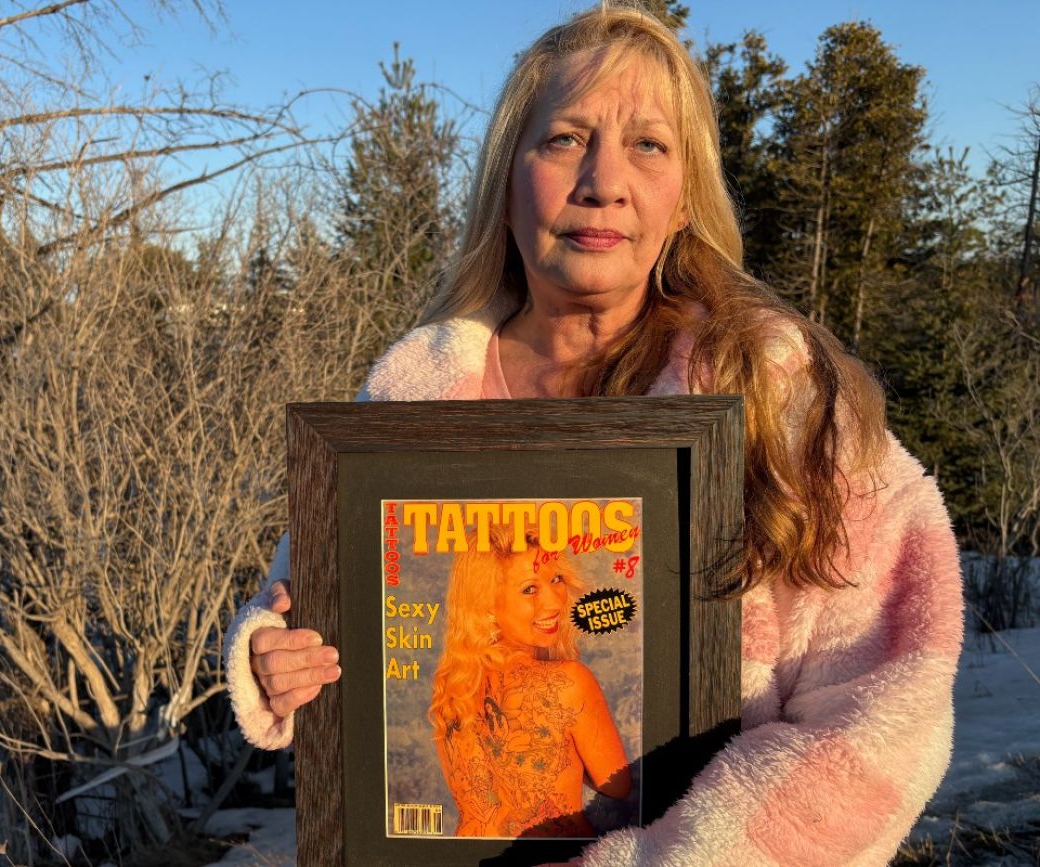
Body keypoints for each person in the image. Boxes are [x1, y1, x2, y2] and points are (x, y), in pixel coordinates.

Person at [224, 5, 962, 864]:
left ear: (685, 196)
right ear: (506, 180)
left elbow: (889, 709)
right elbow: (308, 604)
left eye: (648, 145)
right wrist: (277, 661)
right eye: (567, 138)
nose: (603, 180)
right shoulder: (416, 389)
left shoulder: (775, 390)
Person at [428, 524, 631, 839]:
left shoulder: (453, 690)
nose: (554, 603)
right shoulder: (568, 681)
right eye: (529, 589)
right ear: (487, 606)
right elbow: (617, 785)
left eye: (556, 580)